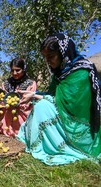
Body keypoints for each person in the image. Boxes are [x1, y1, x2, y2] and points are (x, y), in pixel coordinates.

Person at [17, 33, 101, 165]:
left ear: (63, 53)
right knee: (41, 104)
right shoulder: (60, 73)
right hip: (64, 117)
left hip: (77, 125)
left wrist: (34, 96)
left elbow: (68, 105)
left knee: (42, 106)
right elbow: (53, 95)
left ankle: (51, 146)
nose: (48, 61)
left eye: (51, 56)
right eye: (45, 57)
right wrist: (33, 95)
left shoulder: (80, 73)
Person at [0, 58, 37, 137]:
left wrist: (17, 104)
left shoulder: (30, 83)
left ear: (23, 69)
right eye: (12, 70)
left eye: (17, 70)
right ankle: (3, 130)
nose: (14, 73)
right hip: (7, 111)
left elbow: (29, 101)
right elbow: (2, 97)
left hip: (22, 111)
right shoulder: (6, 83)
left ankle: (20, 132)